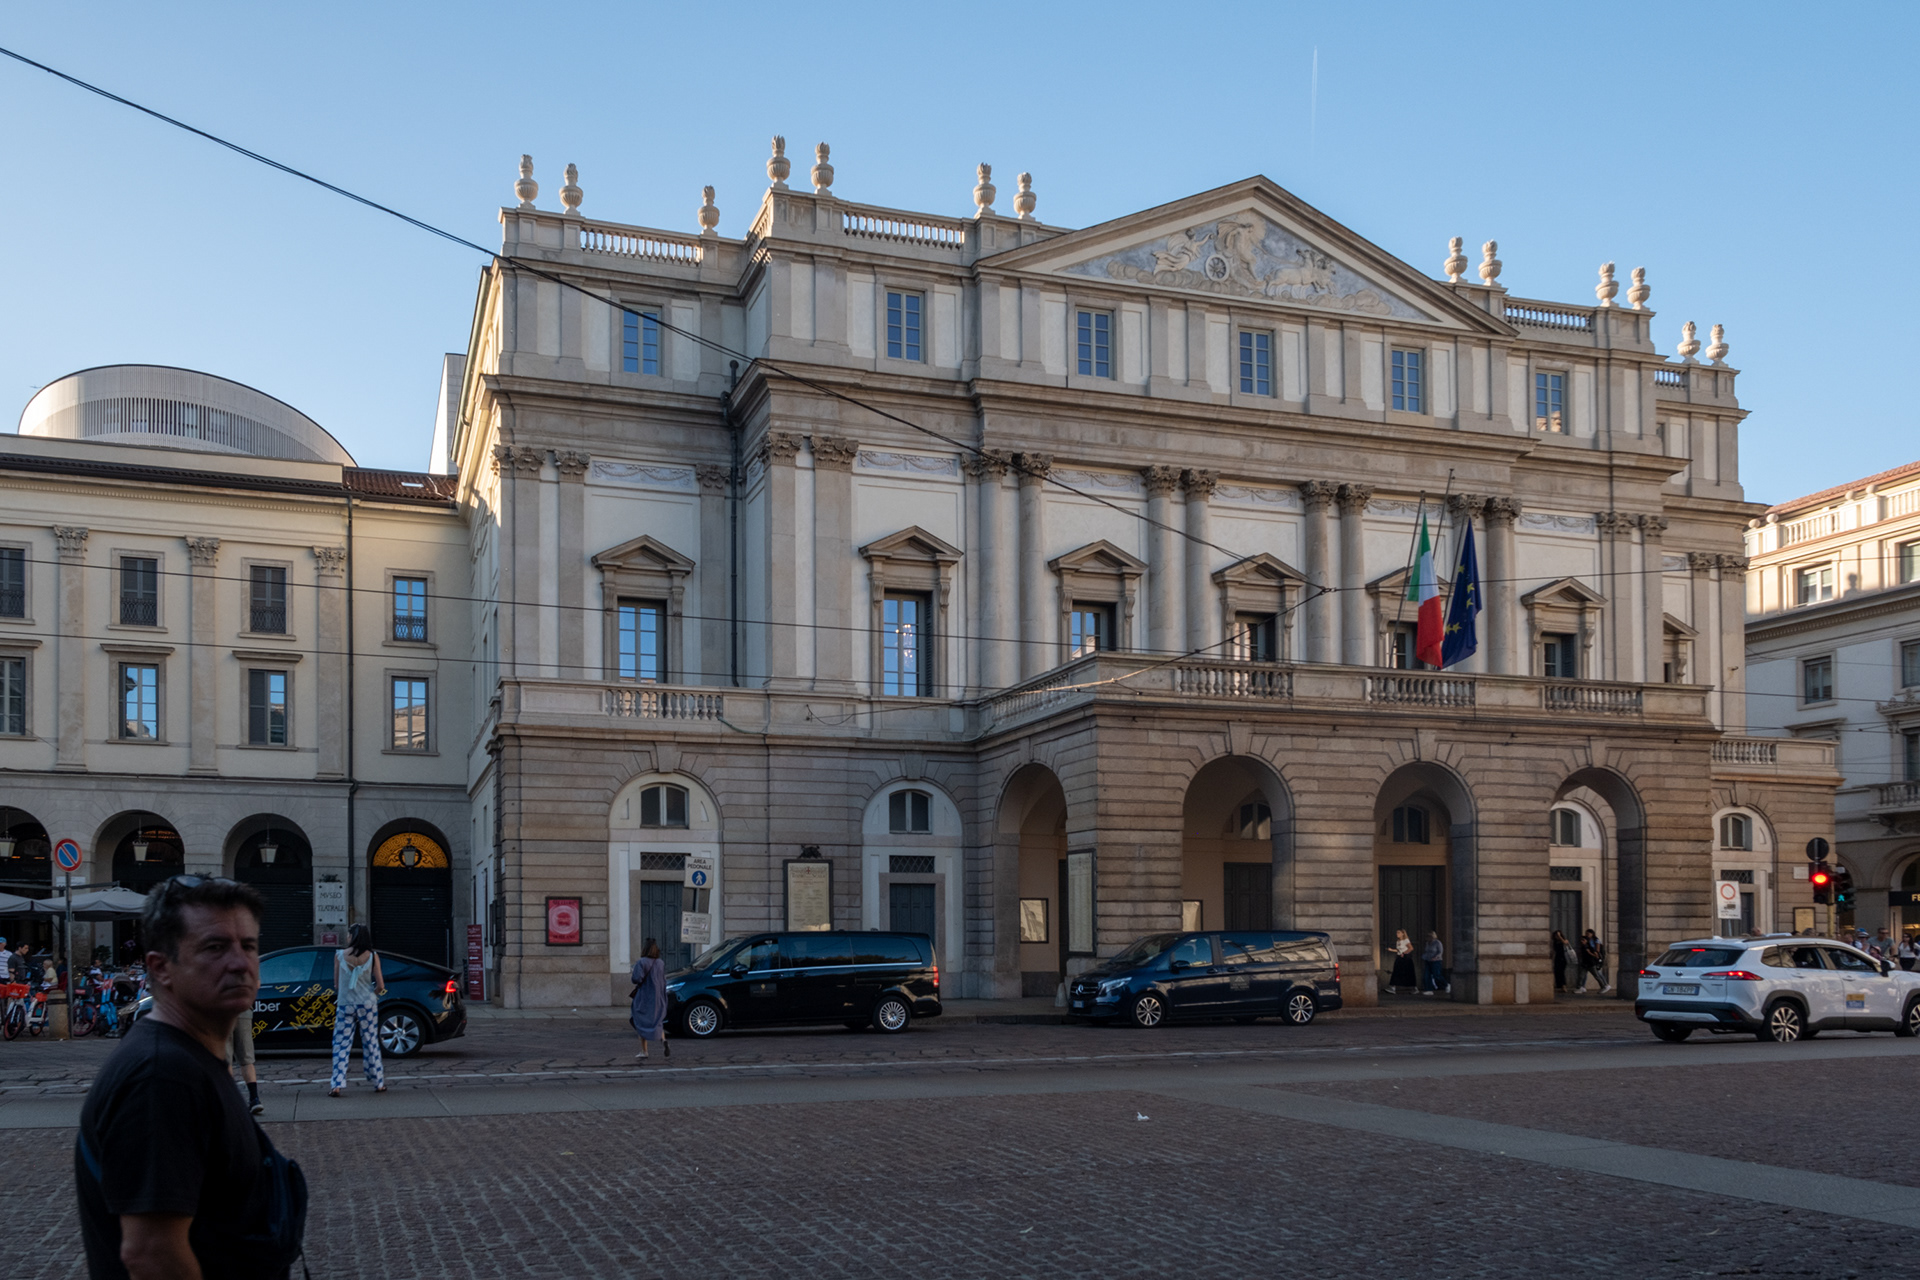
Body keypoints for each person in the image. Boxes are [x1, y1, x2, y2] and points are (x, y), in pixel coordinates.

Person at [75, 874, 304, 1279]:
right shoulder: (161, 1076)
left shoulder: (188, 1059)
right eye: (215, 948)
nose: (239, 962)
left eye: (248, 946)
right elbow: (152, 1254)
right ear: (161, 968)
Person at [328, 924, 386, 1098]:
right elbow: (381, 985)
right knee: (371, 1042)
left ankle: (337, 1084)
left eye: (348, 934)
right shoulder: (373, 956)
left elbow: (337, 984)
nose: (346, 937)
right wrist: (372, 994)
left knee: (341, 1044)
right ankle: (378, 1082)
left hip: (346, 1004)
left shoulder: (339, 956)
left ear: (352, 936)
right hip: (367, 1004)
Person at [629, 938, 670, 1060]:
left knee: (641, 1021)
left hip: (645, 997)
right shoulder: (660, 963)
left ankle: (644, 1051)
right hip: (658, 997)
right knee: (657, 1021)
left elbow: (636, 979)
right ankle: (663, 1039)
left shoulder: (642, 962)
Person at [229, 1006, 263, 1116]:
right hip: (243, 1010)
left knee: (225, 1060)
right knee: (247, 1059)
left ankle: (229, 1100)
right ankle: (254, 1098)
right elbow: (256, 987)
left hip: (221, 1010)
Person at [1577, 929, 1612, 993]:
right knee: (1585, 974)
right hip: (1588, 959)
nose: (1587, 935)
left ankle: (1605, 985)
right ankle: (1582, 986)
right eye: (1586, 933)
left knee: (1597, 973)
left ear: (1592, 934)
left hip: (1594, 959)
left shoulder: (1596, 940)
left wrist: (1593, 954)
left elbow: (1597, 950)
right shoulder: (1586, 941)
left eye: (1588, 934)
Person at [1386, 929, 1416, 994]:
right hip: (1399, 957)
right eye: (1397, 933)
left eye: (1399, 933)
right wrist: (1391, 950)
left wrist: (1404, 953)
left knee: (1408, 972)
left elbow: (1411, 948)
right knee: (1396, 971)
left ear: (1403, 934)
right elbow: (1398, 950)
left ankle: (1414, 988)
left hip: (1406, 958)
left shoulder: (1406, 940)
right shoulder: (1398, 941)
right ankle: (1392, 987)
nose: (1397, 934)